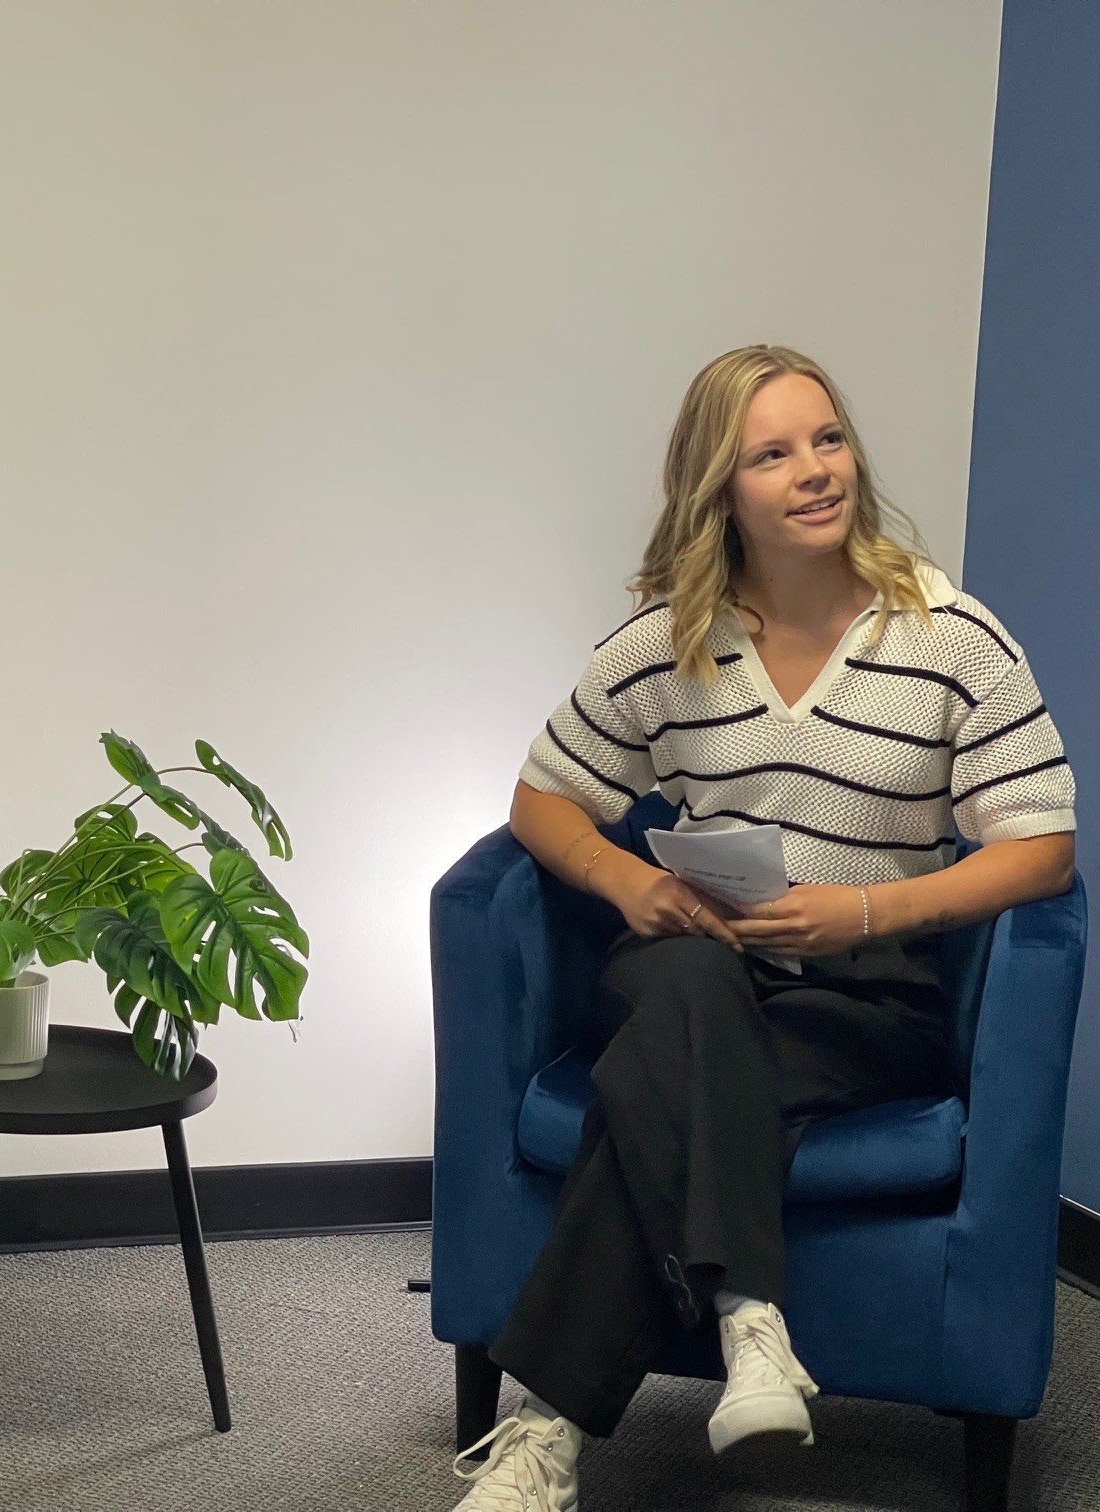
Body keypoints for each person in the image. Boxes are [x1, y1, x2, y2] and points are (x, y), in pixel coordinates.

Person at [449, 345, 1077, 1510]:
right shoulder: (666, 642)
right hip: (692, 959)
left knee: (656, 1087)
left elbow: (1042, 847)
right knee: (687, 989)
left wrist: (868, 909)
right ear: (719, 491)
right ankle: (751, 1323)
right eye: (773, 454)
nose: (816, 470)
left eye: (827, 439)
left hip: (864, 993)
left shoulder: (951, 638)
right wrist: (624, 880)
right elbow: (542, 799)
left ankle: (546, 1431)